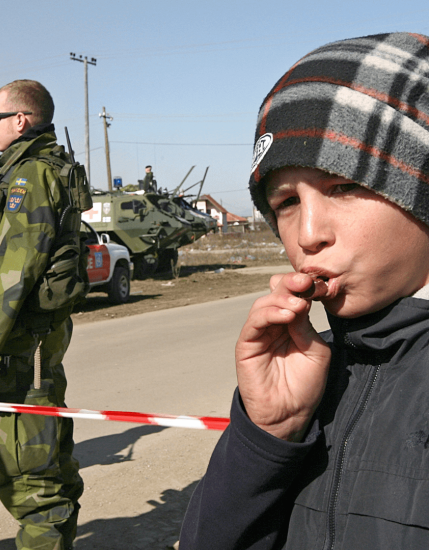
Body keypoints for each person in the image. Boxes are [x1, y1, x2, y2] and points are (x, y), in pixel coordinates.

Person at [180, 32, 429, 549]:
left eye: (344, 187)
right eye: (287, 201)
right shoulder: (315, 367)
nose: (309, 233)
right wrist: (268, 436)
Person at [0, 79, 86, 550]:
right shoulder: (49, 168)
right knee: (48, 453)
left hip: (21, 339)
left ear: (21, 120)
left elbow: (16, 267)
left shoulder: (29, 176)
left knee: (28, 474)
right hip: (39, 332)